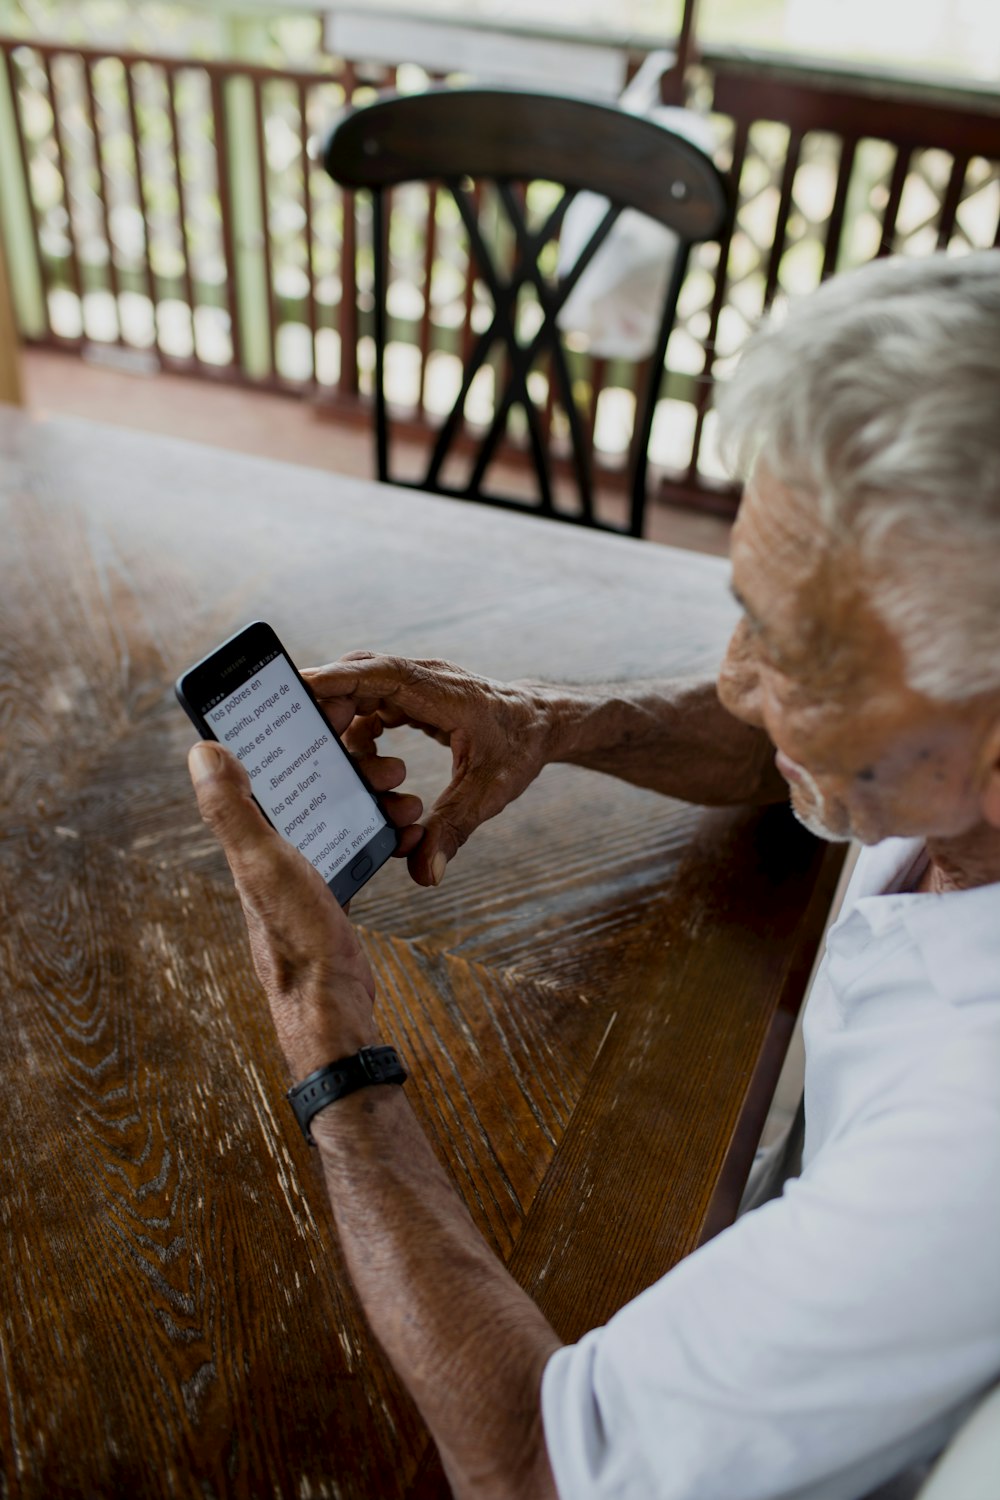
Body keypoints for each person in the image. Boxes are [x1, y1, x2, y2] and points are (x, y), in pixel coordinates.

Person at [185, 250, 1000, 1500]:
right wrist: (551, 721)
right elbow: (763, 740)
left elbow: (529, 1464)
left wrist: (321, 1021)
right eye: (746, 609)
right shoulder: (944, 761)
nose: (734, 681)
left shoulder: (969, 1151)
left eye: (789, 651)